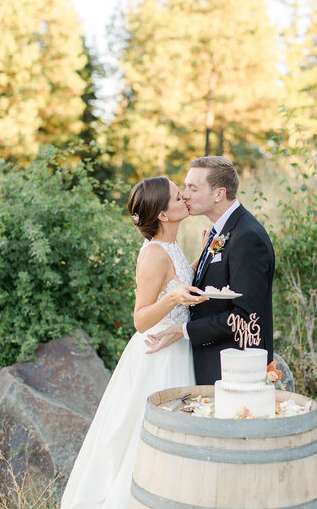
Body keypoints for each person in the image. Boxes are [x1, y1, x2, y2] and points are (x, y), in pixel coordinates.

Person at [61, 177, 207, 509]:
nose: (183, 196)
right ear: (164, 215)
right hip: (158, 355)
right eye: (175, 195)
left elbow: (178, 281)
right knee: (150, 437)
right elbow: (140, 319)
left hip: (176, 347)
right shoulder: (154, 253)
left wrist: (201, 258)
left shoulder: (170, 244)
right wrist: (172, 299)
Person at [146, 156, 275, 385]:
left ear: (219, 194)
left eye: (192, 188)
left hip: (236, 367)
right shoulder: (220, 231)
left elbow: (245, 317)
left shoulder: (247, 237)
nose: (184, 195)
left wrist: (183, 330)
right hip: (210, 361)